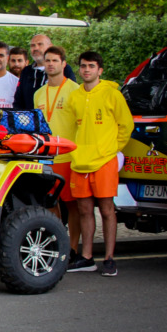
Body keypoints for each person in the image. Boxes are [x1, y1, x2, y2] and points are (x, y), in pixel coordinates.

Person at [67, 51, 134, 277]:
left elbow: (126, 126)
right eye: (83, 66)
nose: (86, 70)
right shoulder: (74, 96)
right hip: (80, 162)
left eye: (91, 66)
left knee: (107, 210)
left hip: (104, 161)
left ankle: (109, 258)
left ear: (100, 70)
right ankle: (87, 257)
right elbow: (71, 129)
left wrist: (111, 149)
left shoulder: (112, 94)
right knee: (84, 210)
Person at [33, 46, 81, 252]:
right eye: (47, 61)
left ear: (64, 64)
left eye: (55, 60)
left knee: (73, 205)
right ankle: (57, 244)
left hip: (69, 157)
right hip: (47, 157)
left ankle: (73, 248)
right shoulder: (39, 93)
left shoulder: (75, 90)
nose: (50, 64)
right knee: (50, 203)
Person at [14, 34, 77, 109]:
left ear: (50, 46)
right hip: (30, 119)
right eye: (32, 45)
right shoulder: (26, 71)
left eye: (40, 44)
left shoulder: (64, 69)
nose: (36, 48)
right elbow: (19, 100)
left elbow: (72, 94)